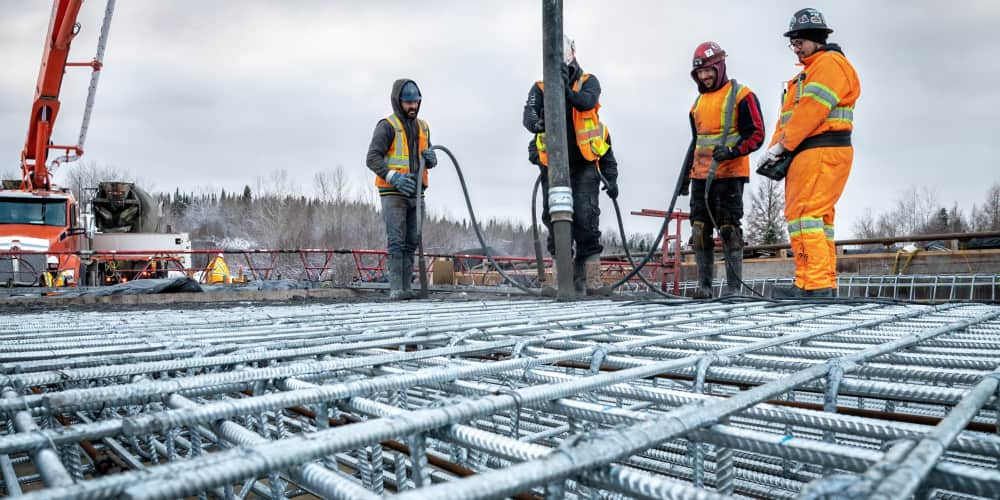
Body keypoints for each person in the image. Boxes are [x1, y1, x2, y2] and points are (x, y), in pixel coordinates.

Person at [757, 8, 860, 298]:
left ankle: (812, 286)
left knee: (804, 215)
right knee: (819, 219)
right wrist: (774, 150)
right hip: (811, 151)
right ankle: (819, 282)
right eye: (793, 42)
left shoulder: (829, 65)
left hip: (820, 149)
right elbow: (790, 118)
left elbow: (810, 112)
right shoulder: (809, 74)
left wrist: (782, 146)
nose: (796, 47)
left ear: (816, 38)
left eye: (799, 41)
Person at [523, 36, 617, 294]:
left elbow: (586, 101)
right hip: (553, 166)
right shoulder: (540, 88)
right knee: (555, 218)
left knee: (586, 220)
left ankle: (592, 279)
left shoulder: (588, 82)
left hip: (584, 164)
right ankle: (559, 278)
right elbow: (528, 115)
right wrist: (537, 124)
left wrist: (563, 91)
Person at [679, 41, 765, 299]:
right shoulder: (697, 104)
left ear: (719, 67)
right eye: (700, 73)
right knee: (699, 231)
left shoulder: (742, 95)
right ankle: (704, 288)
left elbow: (757, 134)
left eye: (708, 71)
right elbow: (695, 143)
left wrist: (732, 151)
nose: (704, 77)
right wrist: (685, 177)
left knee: (729, 230)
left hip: (729, 175)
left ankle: (733, 289)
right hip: (700, 176)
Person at [366, 79, 437, 300]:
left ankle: (407, 288)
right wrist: (393, 177)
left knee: (412, 240)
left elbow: (427, 158)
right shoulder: (387, 126)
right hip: (393, 193)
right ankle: (396, 288)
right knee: (396, 240)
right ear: (398, 102)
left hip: (417, 193)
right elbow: (372, 158)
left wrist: (432, 159)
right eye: (408, 102)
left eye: (415, 102)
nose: (412, 106)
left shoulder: (423, 126)